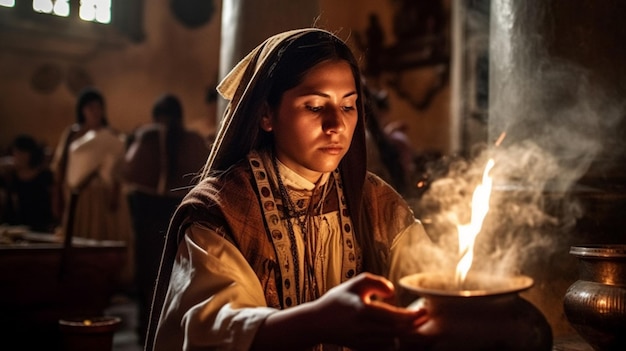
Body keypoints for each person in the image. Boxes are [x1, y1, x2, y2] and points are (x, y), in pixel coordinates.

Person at [146, 28, 433, 351]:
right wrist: (319, 321)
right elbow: (212, 329)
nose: (336, 124)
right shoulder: (224, 210)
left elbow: (427, 285)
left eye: (349, 106)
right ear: (267, 114)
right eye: (314, 106)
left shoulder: (377, 202)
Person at [122, 93, 209, 343]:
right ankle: (172, 331)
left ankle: (145, 329)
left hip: (149, 208)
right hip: (178, 207)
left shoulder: (147, 136)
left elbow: (127, 171)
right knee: (177, 269)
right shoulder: (191, 139)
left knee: (148, 270)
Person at [50, 87, 133, 285]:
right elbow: (61, 167)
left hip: (105, 195)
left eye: (98, 107)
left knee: (105, 236)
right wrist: (57, 197)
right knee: (80, 235)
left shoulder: (112, 135)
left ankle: (107, 280)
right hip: (79, 195)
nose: (95, 111)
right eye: (90, 107)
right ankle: (80, 279)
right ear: (82, 110)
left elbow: (119, 169)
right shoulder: (72, 134)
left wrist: (114, 192)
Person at [0, 134, 55, 232]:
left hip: (40, 227)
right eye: (16, 152)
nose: (19, 156)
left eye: (23, 153)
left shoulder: (44, 176)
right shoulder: (9, 176)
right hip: (14, 228)